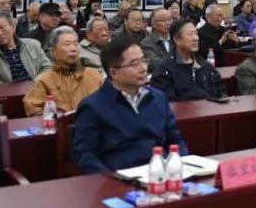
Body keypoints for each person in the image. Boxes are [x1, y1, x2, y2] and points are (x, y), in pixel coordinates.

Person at [71, 39, 188, 173]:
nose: (143, 68)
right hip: (119, 177)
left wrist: (181, 165)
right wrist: (110, 179)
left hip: (161, 172)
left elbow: (176, 140)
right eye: (134, 64)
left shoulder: (158, 98)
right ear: (113, 73)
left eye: (144, 60)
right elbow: (85, 155)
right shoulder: (93, 106)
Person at [23, 26, 102, 116]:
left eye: (75, 44)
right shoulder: (43, 81)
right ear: (53, 51)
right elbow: (34, 111)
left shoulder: (94, 75)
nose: (73, 49)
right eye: (67, 44)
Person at [150, 20, 225, 101]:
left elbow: (221, 92)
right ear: (177, 39)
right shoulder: (165, 70)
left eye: (196, 34)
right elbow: (168, 102)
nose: (196, 38)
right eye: (190, 34)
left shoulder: (204, 65)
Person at [0, 12, 51, 84]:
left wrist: (35, 84)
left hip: (37, 88)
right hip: (7, 92)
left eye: (2, 27)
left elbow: (47, 68)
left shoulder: (33, 45)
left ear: (13, 27)